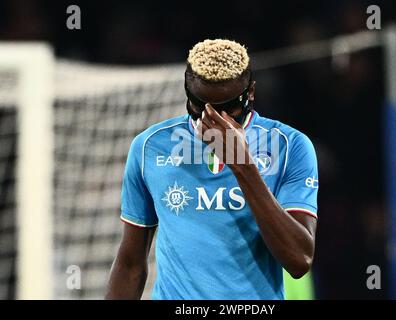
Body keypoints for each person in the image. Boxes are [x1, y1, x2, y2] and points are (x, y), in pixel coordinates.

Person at [106, 39, 319, 299]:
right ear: (187, 90)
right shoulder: (150, 147)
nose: (212, 119)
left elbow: (299, 260)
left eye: (226, 108)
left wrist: (244, 167)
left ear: (250, 92)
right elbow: (130, 265)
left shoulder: (290, 146)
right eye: (200, 106)